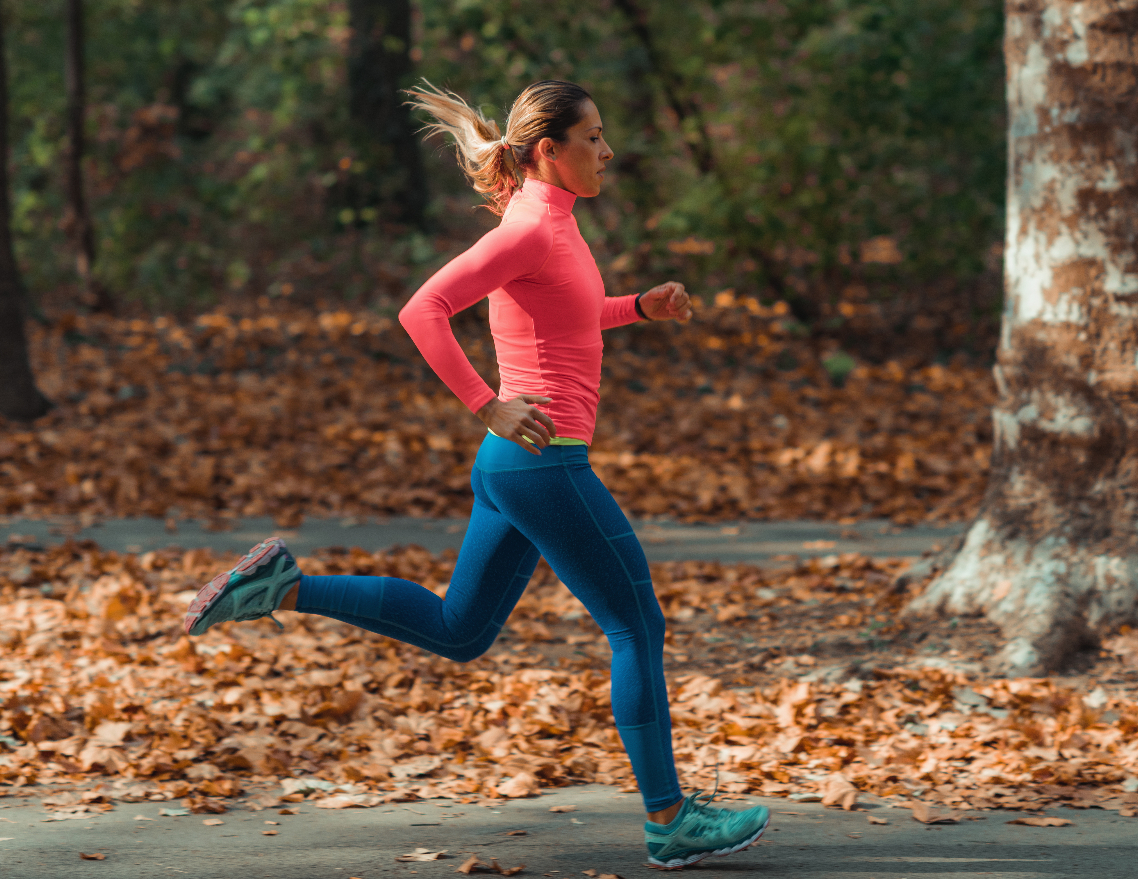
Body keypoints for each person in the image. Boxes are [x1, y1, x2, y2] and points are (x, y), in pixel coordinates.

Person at [183, 79, 769, 869]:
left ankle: (282, 586)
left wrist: (639, 306)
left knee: (462, 629)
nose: (607, 150)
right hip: (540, 459)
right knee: (637, 627)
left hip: (511, 470)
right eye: (592, 137)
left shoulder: (551, 224)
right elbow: (422, 308)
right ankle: (669, 818)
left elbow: (571, 311)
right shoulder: (530, 228)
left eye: (604, 135)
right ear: (547, 152)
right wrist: (486, 403)